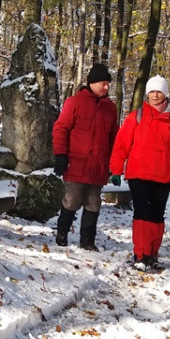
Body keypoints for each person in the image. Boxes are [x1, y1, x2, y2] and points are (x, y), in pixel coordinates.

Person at [109, 75, 170, 270]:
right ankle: (140, 254)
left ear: (165, 94)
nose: (155, 95)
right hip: (139, 174)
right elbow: (121, 144)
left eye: (159, 91)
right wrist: (116, 169)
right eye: (152, 91)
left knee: (156, 216)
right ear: (147, 93)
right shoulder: (136, 116)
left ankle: (152, 253)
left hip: (163, 176)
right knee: (142, 214)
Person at [52, 64, 119, 251]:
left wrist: (115, 161)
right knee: (71, 201)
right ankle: (62, 235)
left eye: (108, 84)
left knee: (94, 204)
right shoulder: (74, 102)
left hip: (98, 166)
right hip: (76, 164)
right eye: (102, 83)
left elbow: (115, 137)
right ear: (91, 83)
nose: (106, 87)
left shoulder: (110, 108)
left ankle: (87, 241)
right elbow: (60, 129)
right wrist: (60, 155)